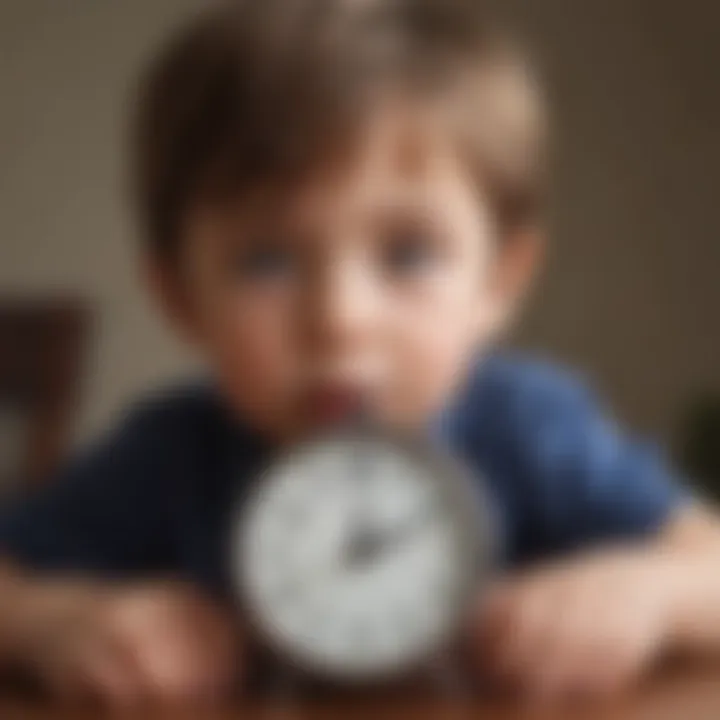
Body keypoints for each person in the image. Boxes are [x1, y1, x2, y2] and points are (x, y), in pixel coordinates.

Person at [1, 0, 719, 707]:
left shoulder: (532, 430)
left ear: (499, 281)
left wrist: (650, 593)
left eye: (407, 255)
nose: (340, 320)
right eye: (266, 263)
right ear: (183, 299)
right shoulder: (169, 455)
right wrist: (49, 621)